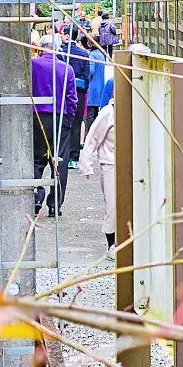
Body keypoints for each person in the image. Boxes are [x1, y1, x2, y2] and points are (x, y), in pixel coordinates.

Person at [32, 34, 77, 216]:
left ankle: (35, 197)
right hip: (60, 117)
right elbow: (72, 98)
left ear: (42, 48)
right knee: (59, 162)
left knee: (35, 160)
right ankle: (55, 204)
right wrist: (69, 119)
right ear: (57, 48)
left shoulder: (33, 65)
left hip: (37, 117)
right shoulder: (67, 69)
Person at [80, 99, 116, 259]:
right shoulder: (108, 112)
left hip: (135, 165)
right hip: (111, 165)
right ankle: (112, 244)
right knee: (112, 206)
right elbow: (92, 138)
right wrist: (86, 165)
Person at [60, 24, 91, 169]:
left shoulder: (60, 53)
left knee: (63, 123)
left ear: (67, 35)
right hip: (78, 91)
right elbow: (86, 77)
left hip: (62, 91)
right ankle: (74, 157)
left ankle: (62, 156)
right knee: (77, 123)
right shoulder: (84, 54)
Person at [85, 37, 106, 133]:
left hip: (92, 89)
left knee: (90, 115)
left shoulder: (92, 55)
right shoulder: (101, 55)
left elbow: (91, 71)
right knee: (96, 114)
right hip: (100, 88)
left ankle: (90, 135)